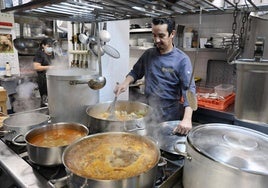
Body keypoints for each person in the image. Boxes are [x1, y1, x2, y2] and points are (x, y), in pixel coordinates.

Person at [114, 17, 196, 135]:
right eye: (154, 35)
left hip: (169, 117)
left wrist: (187, 119)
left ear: (172, 34)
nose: (156, 40)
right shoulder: (149, 54)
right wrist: (125, 83)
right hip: (147, 113)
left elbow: (189, 91)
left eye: (161, 36)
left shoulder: (182, 60)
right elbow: (135, 72)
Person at [33, 38, 54, 107]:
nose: (50, 48)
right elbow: (36, 67)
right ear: (43, 45)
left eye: (51, 46)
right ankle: (45, 114)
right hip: (43, 80)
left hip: (53, 79)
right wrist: (50, 67)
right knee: (45, 100)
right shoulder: (39, 54)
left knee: (53, 99)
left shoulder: (53, 54)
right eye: (48, 46)